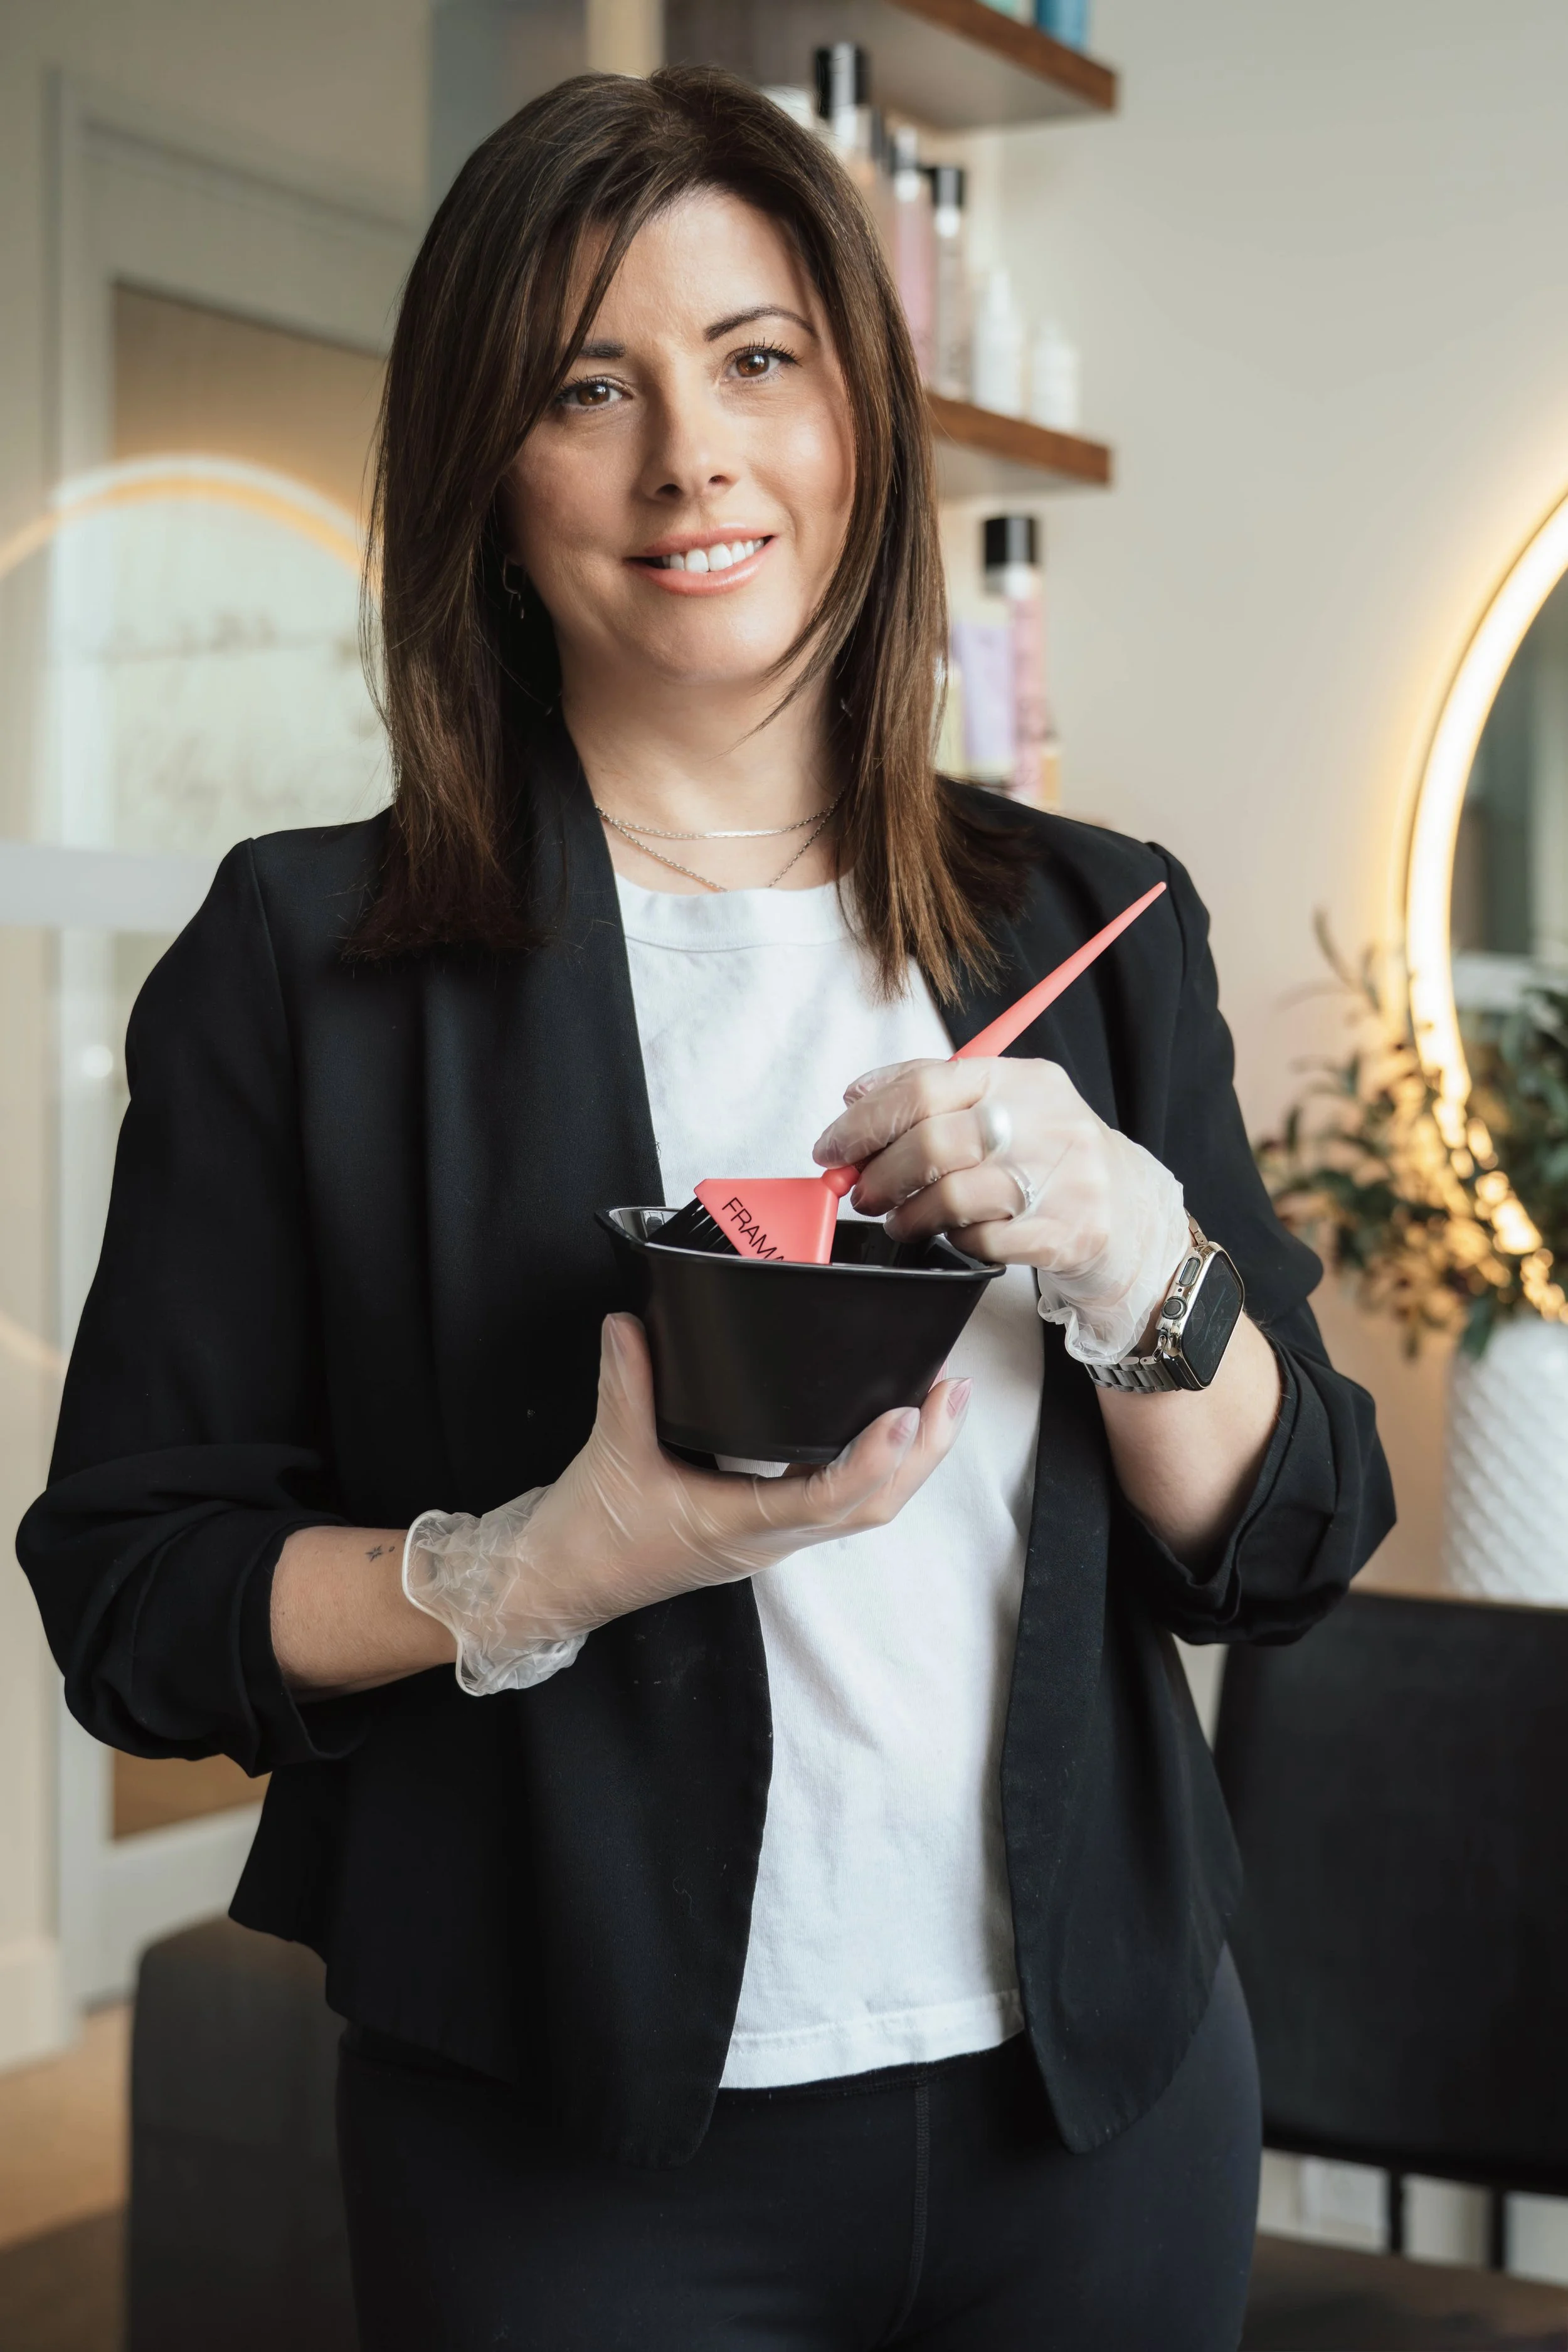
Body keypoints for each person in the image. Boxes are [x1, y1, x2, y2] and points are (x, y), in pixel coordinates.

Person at [18, 66, 1394, 2352]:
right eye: (590, 384)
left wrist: (1147, 1269)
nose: (694, 460)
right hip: (571, 2156)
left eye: (759, 360)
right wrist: (530, 1565)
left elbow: (1282, 1545)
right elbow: (133, 1601)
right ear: (485, 467)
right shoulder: (308, 963)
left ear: (861, 412)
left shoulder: (1096, 921)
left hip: (1100, 2102)